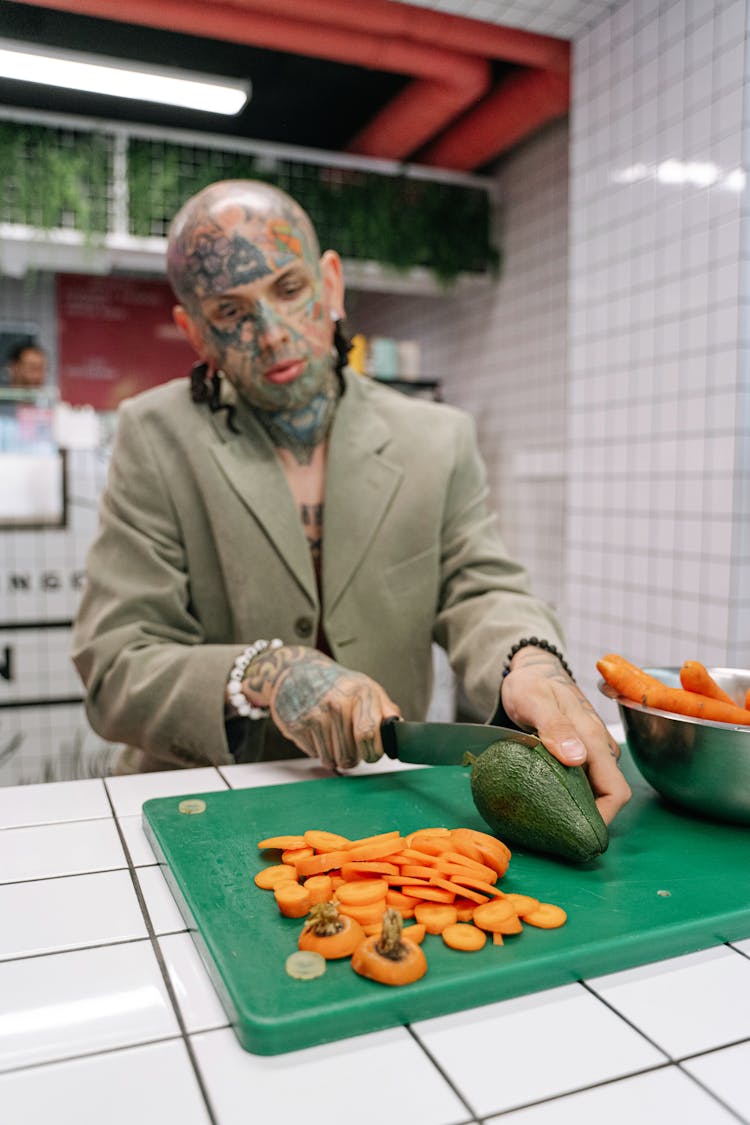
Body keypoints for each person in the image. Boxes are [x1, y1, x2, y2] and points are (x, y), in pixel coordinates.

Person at [71, 180, 630, 824]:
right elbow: (116, 666)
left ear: (330, 282)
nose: (273, 333)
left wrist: (530, 663)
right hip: (202, 805)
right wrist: (269, 673)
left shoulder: (435, 437)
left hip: (386, 802)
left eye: (288, 290)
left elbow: (481, 589)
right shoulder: (153, 436)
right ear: (193, 331)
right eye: (230, 313)